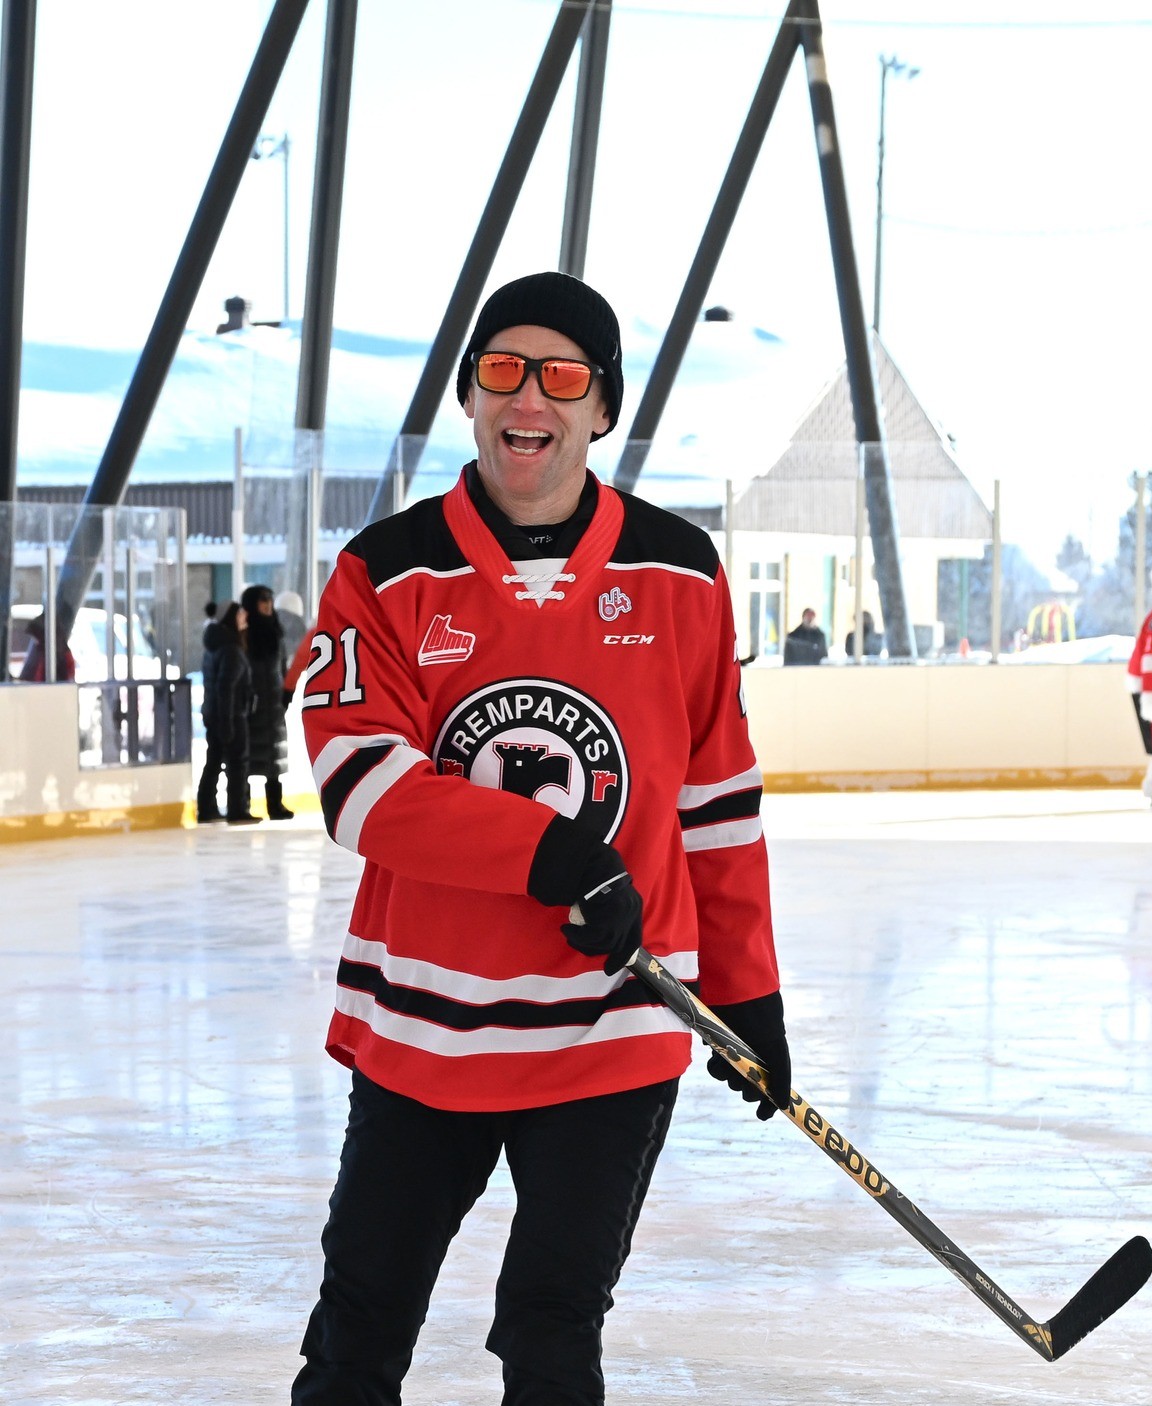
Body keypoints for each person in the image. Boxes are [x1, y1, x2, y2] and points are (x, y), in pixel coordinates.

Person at [291, 270, 790, 1406]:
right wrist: (552, 852)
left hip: (612, 1024)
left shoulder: (680, 570)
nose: (530, 399)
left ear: (602, 407)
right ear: (469, 394)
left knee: (554, 1336)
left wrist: (748, 992)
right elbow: (359, 784)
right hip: (425, 1022)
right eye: (502, 370)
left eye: (562, 376)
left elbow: (716, 802)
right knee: (358, 1329)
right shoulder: (385, 570)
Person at [196, 600, 260, 825]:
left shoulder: (216, 645)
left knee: (213, 760)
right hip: (230, 715)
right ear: (230, 618)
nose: (245, 618)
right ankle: (237, 809)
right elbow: (226, 687)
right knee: (237, 761)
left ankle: (206, 808)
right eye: (240, 614)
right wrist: (228, 722)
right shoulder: (231, 649)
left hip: (215, 713)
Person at [240, 584, 294, 820]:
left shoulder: (275, 631)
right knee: (246, 755)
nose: (268, 603)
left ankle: (275, 804)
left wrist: (284, 692)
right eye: (262, 599)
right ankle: (243, 803)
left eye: (270, 599)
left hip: (273, 705)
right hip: (250, 705)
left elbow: (282, 666)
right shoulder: (244, 633)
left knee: (273, 755)